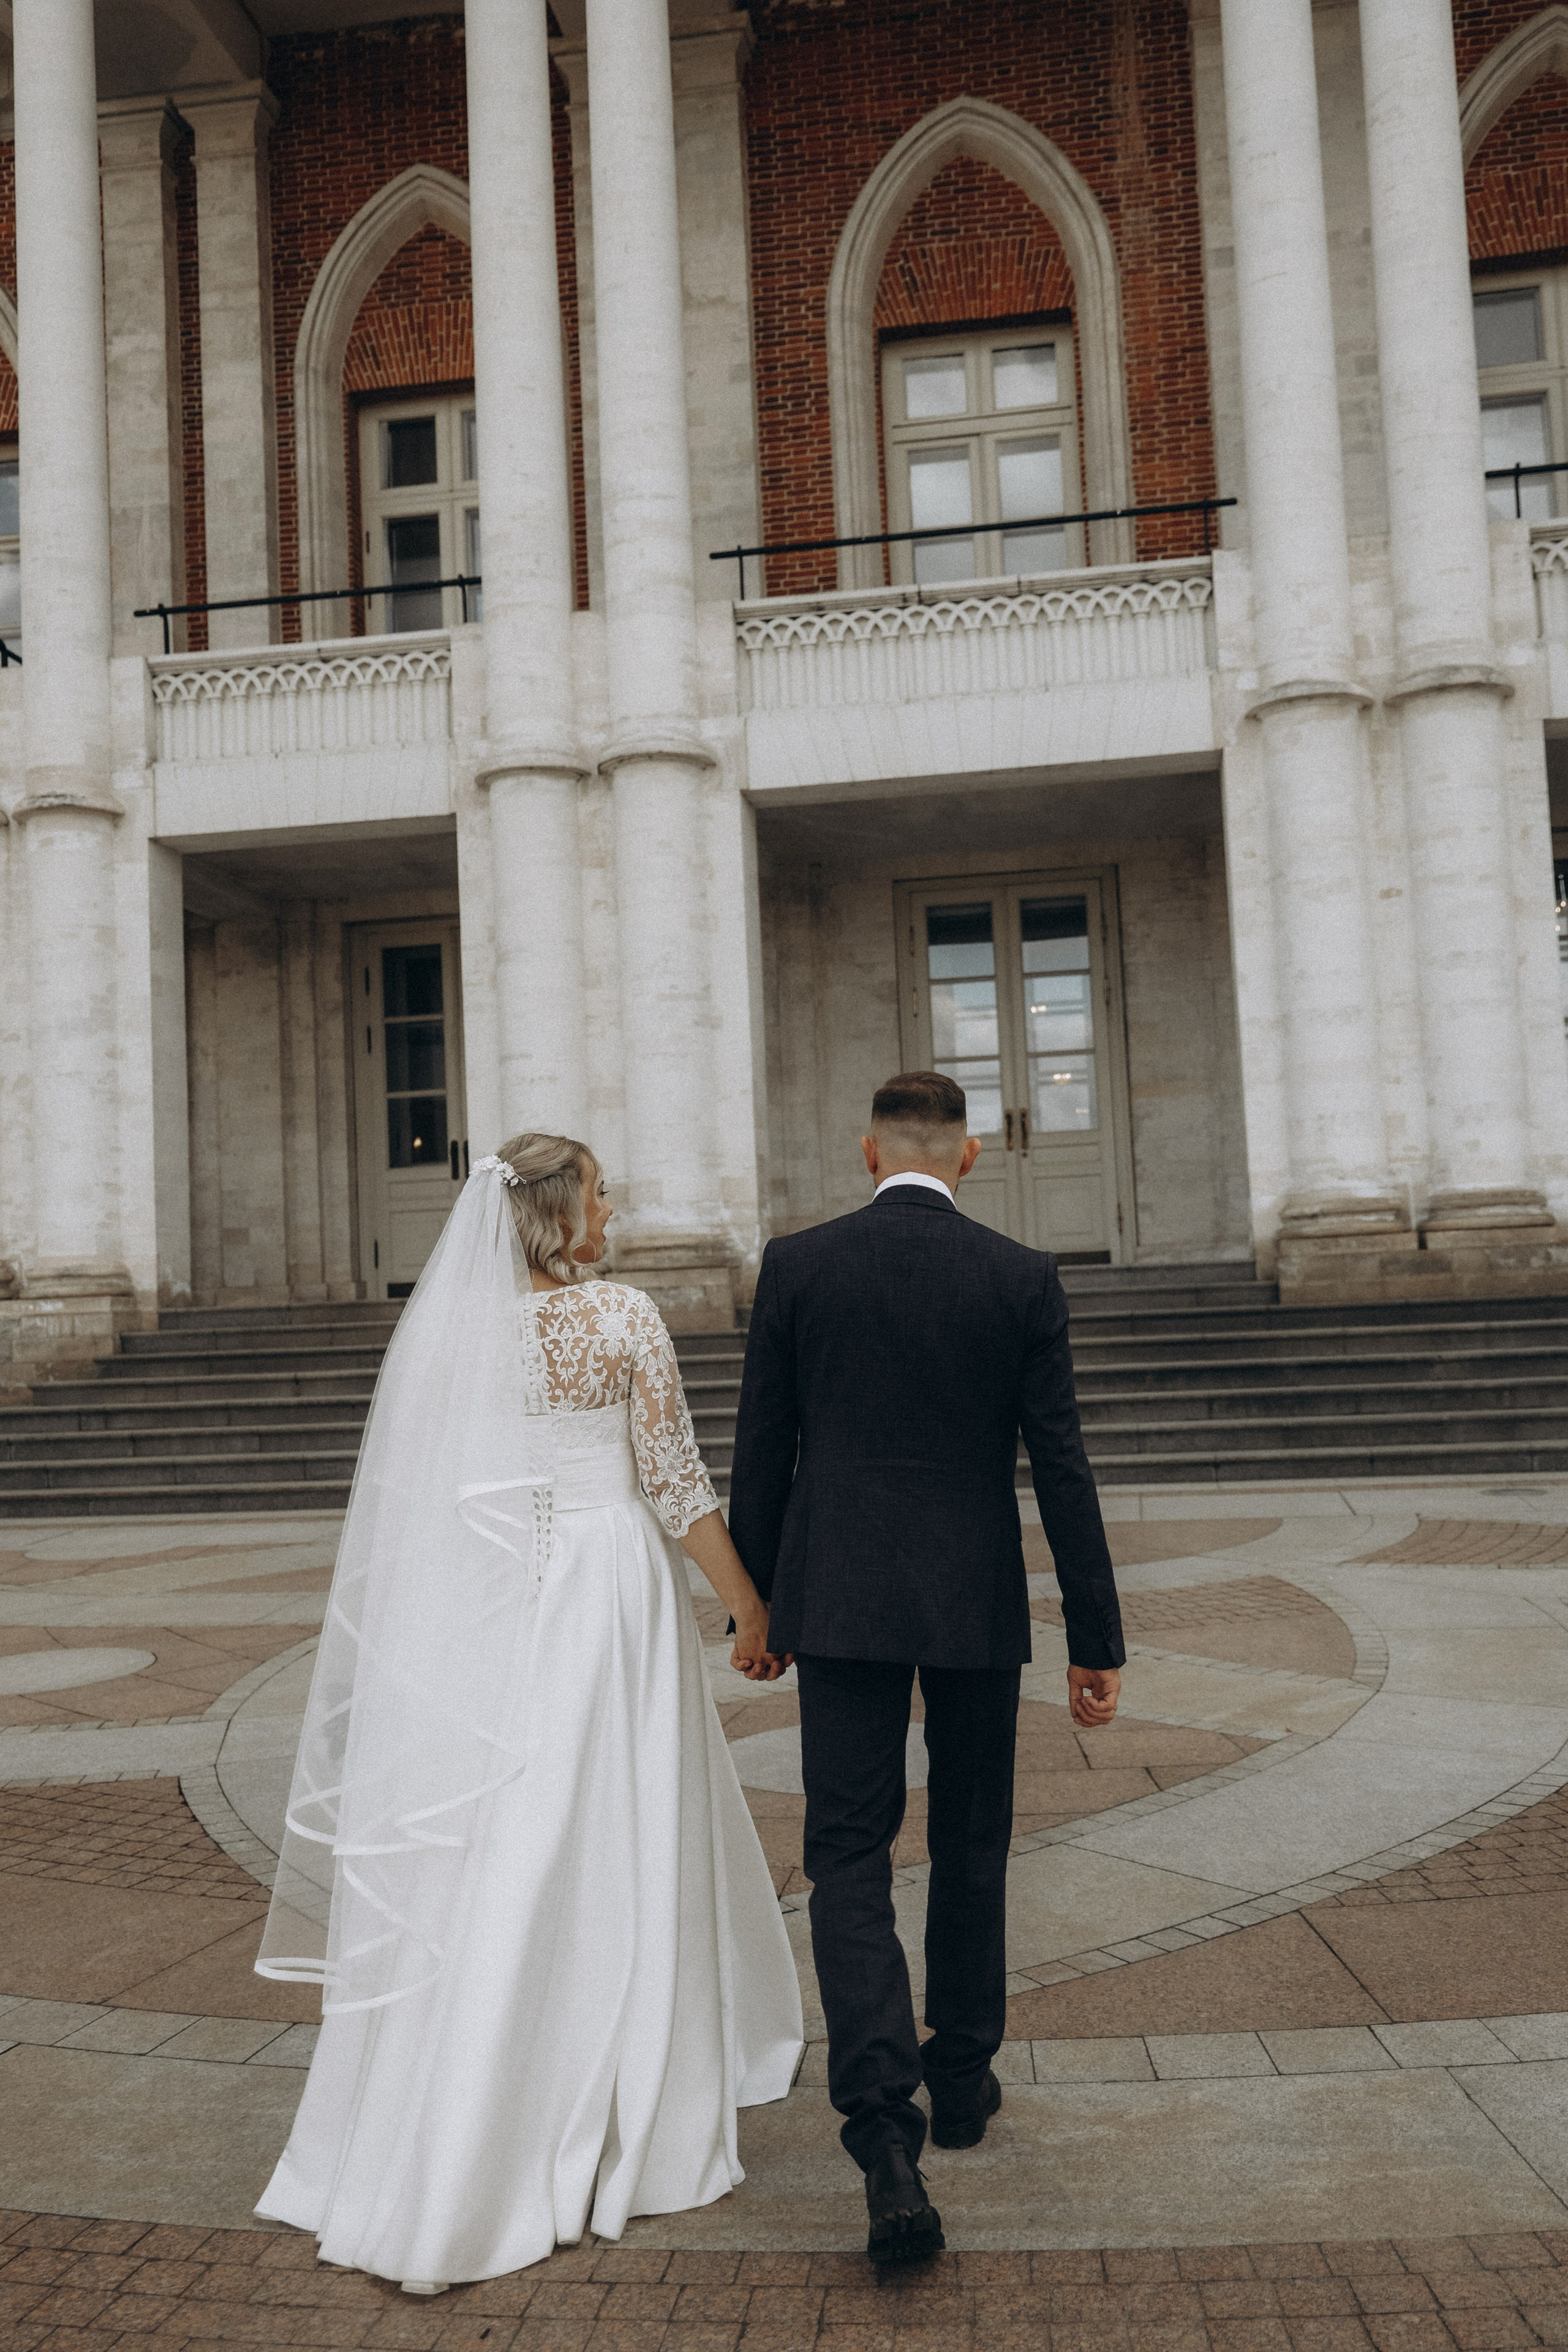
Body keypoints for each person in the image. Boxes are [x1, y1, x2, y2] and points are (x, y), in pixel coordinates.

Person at [254, 1133, 803, 2292]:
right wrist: (749, 1605)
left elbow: (428, 1507)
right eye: (603, 1189)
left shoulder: (455, 1335)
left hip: (498, 1608)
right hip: (606, 1599)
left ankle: (447, 2107)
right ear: (562, 1214)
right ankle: (597, 2090)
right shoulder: (619, 1319)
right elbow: (674, 1483)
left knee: (500, 1839)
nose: (615, 1205)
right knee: (611, 1831)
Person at [727, 1069, 1125, 2265]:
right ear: (965, 1157)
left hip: (837, 1596)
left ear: (867, 1153)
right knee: (970, 1838)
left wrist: (756, 1604)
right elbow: (1061, 1465)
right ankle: (958, 2083)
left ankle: (879, 2128)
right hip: (970, 1598)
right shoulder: (1020, 1276)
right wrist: (1094, 1641)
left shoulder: (796, 1266)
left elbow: (761, 1448)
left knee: (844, 1850)